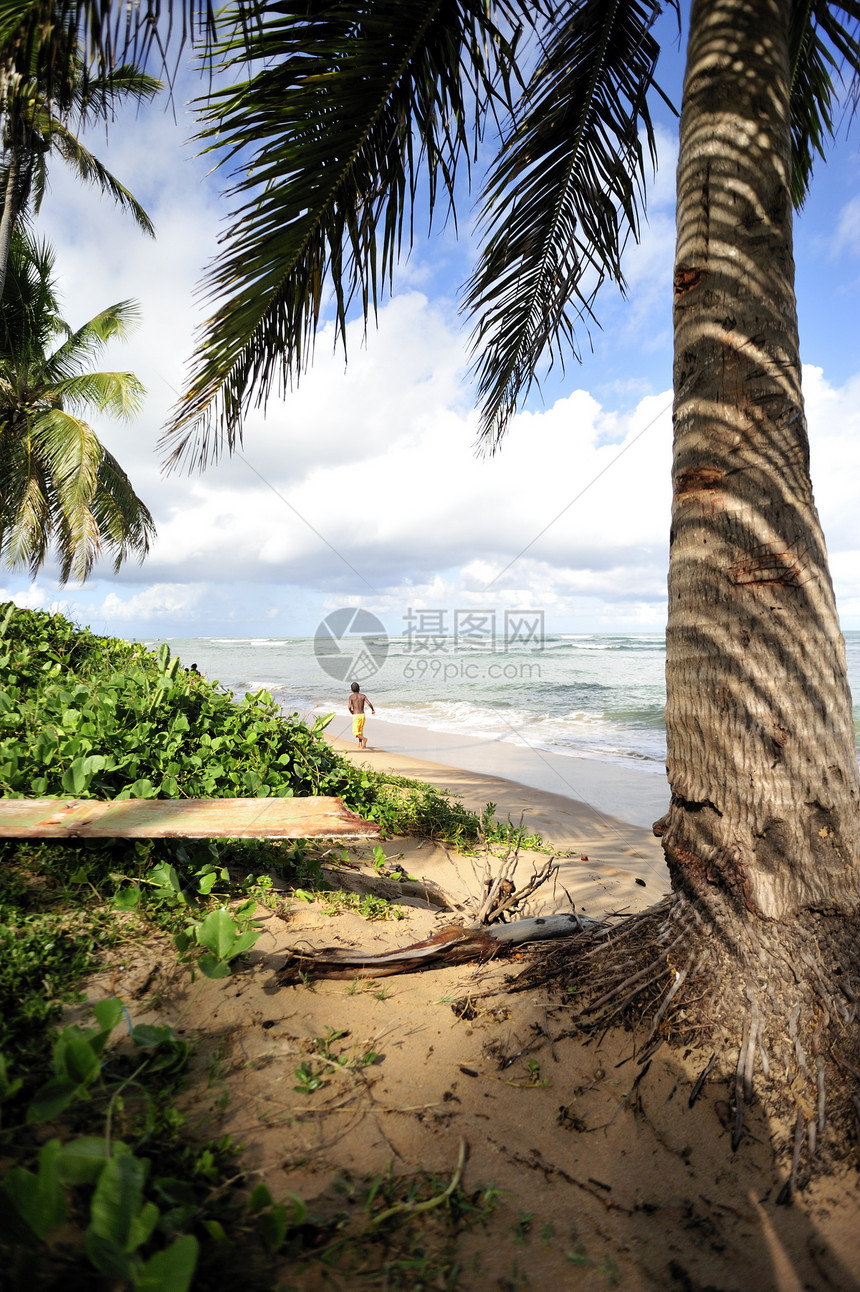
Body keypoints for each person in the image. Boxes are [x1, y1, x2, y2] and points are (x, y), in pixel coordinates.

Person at [347, 681, 375, 749]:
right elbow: (369, 703)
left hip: (356, 715)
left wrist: (351, 711)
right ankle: (360, 744)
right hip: (362, 715)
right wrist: (372, 710)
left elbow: (349, 706)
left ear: (351, 689)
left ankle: (364, 739)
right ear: (359, 688)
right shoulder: (363, 696)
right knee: (360, 730)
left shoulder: (351, 697)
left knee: (355, 732)